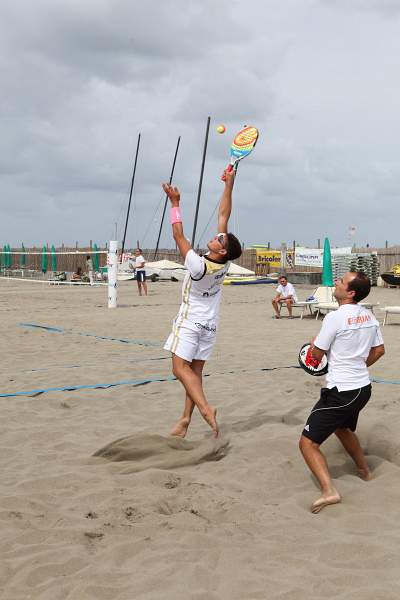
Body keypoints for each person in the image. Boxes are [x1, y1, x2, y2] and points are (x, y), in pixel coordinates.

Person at [162, 169, 242, 438]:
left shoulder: (199, 265)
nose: (218, 235)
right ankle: (185, 419)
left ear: (222, 250)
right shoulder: (224, 262)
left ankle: (207, 410)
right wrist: (229, 184)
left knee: (179, 369)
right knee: (193, 373)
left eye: (220, 239)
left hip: (191, 321)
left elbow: (178, 235)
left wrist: (175, 204)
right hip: (210, 324)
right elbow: (224, 214)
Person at [299, 271, 385, 514]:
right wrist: (357, 366)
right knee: (342, 429)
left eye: (341, 281)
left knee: (307, 443)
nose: (336, 282)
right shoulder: (369, 315)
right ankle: (365, 471)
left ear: (351, 293)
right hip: (363, 389)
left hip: (342, 392)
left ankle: (329, 491)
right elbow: (379, 350)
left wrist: (314, 344)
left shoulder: (334, 318)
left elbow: (316, 355)